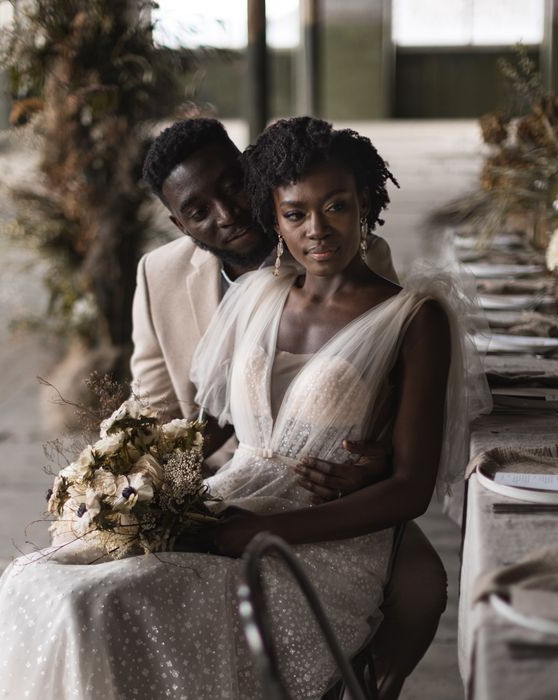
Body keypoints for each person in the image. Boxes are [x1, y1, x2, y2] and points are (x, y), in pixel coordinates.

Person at [0, 118, 487, 700]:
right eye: (295, 213)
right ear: (272, 212)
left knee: (104, 603)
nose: (316, 228)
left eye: (335, 207)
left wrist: (339, 481)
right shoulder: (256, 293)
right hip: (229, 493)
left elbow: (406, 468)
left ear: (363, 203)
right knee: (35, 579)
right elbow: (189, 416)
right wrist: (121, 484)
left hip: (319, 528)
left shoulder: (409, 312)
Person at [134, 118, 445, 696]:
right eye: (198, 210)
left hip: (331, 500)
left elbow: (382, 403)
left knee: (422, 587)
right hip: (223, 484)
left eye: (231, 188)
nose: (225, 215)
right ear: (179, 222)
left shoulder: (378, 282)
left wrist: (376, 457)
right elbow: (162, 410)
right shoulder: (172, 277)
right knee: (88, 584)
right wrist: (125, 484)